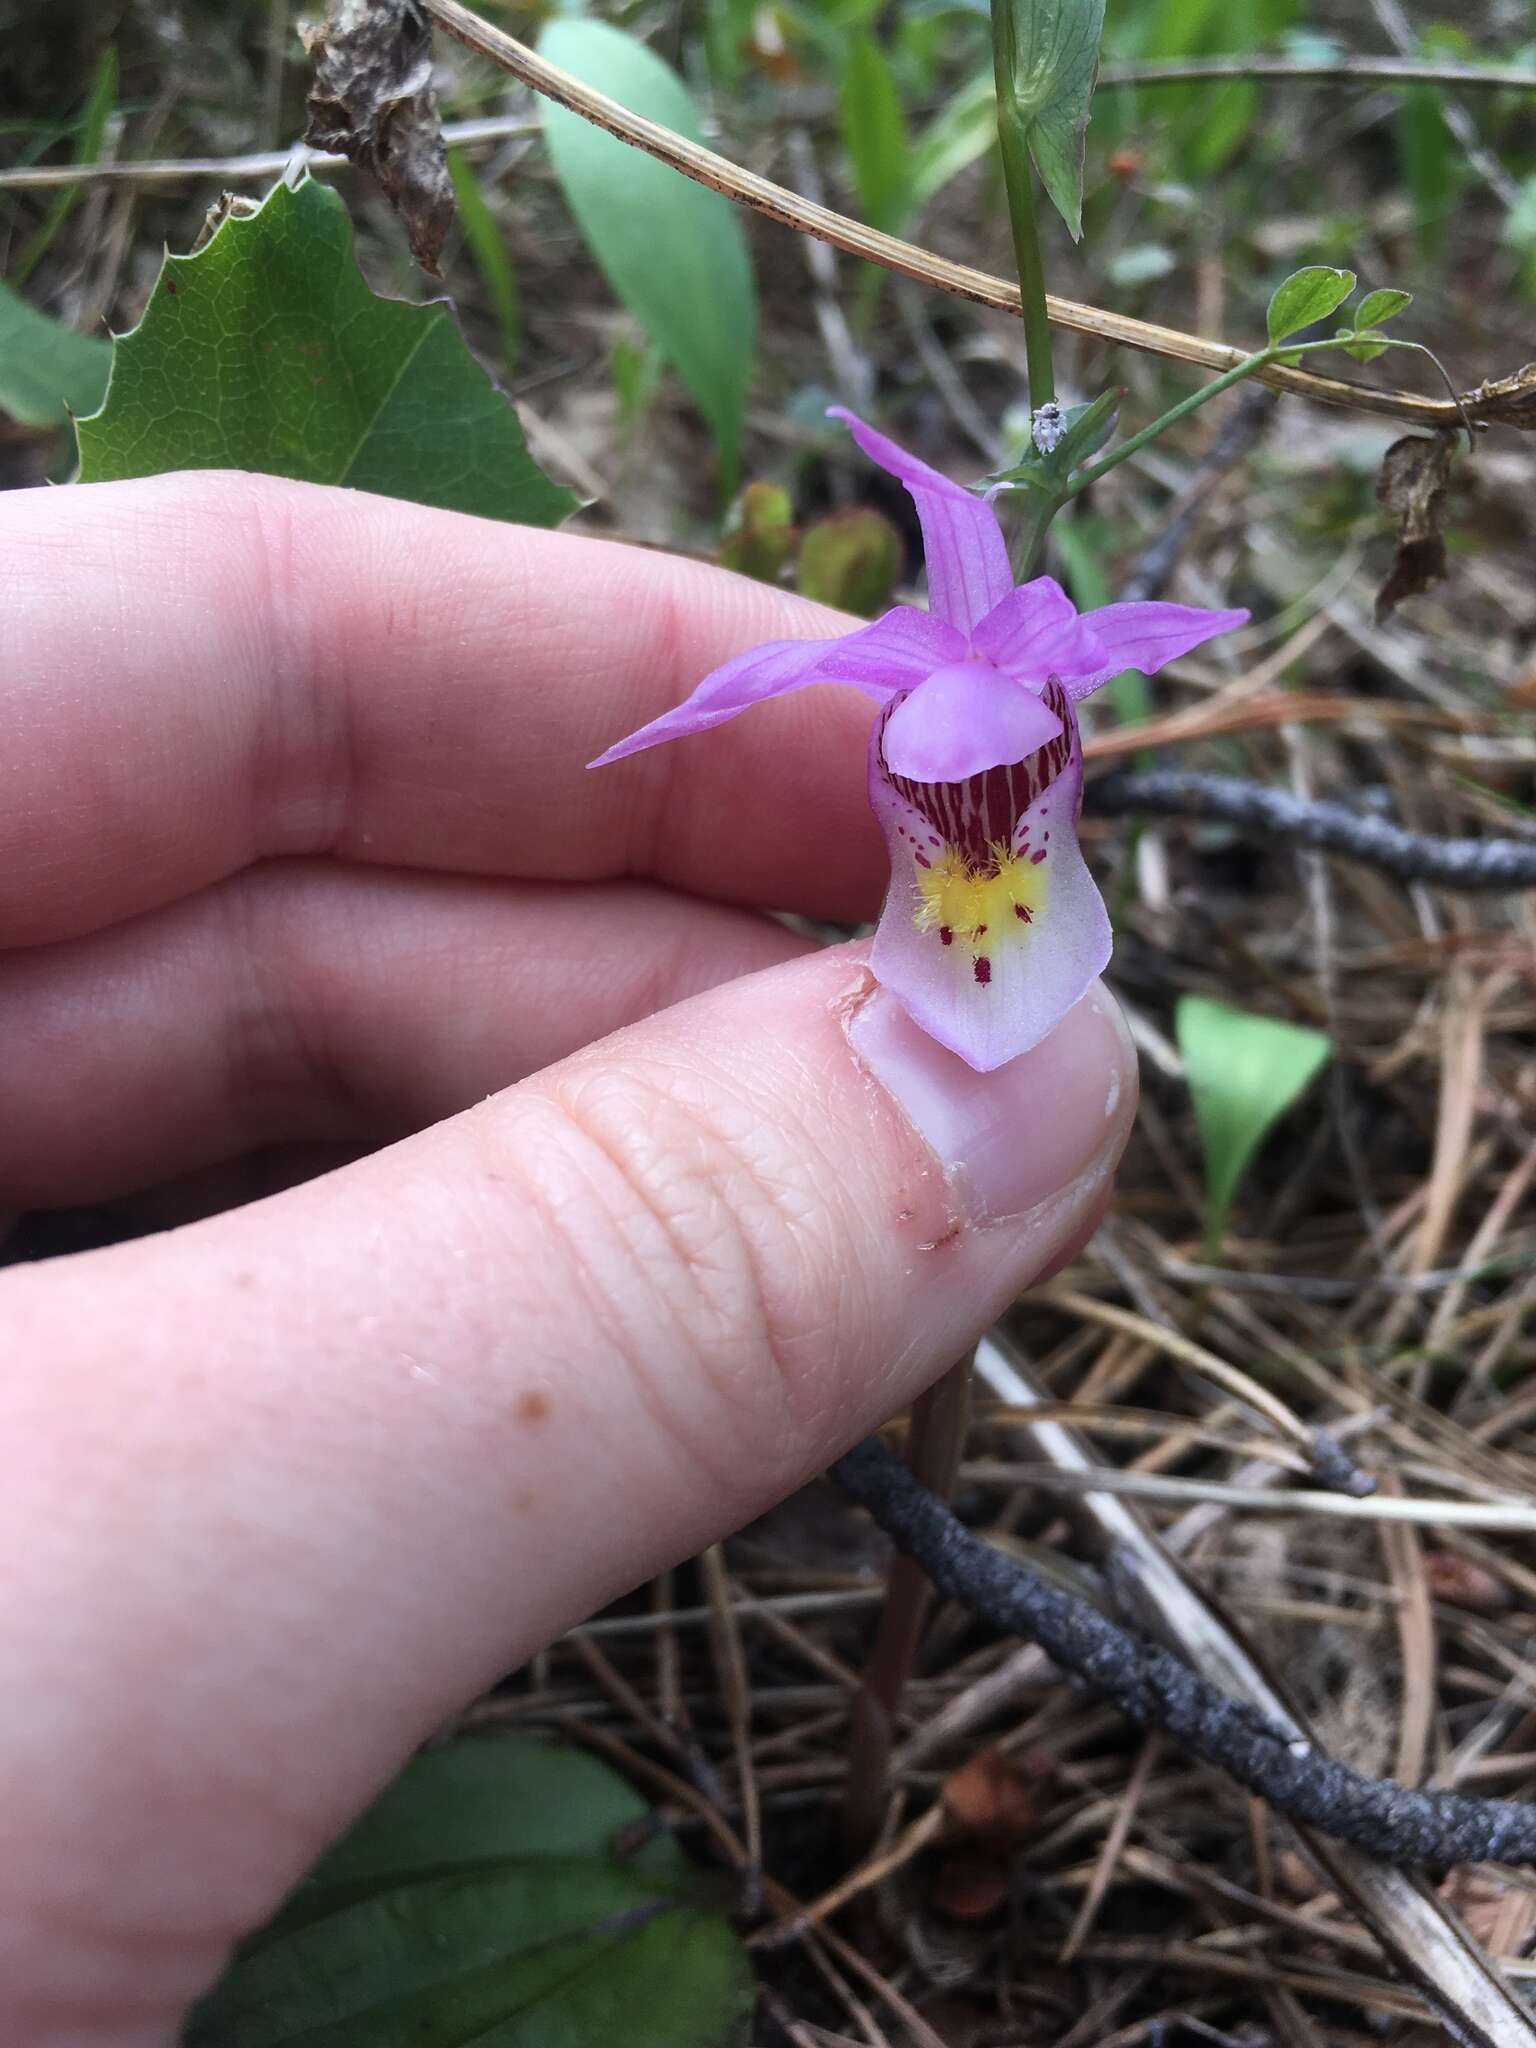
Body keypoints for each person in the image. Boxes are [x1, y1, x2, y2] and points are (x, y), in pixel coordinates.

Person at [0, 472, 1137, 2040]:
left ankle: (873, 1795)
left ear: (1060, 751)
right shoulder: (928, 783)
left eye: (1007, 789)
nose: (975, 821)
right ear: (903, 787)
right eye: (941, 797)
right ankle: (856, 1784)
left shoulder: (1012, 775)